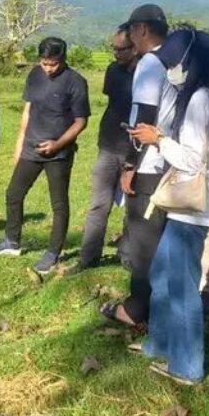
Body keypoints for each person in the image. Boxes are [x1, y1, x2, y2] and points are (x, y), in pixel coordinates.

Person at [127, 28, 209, 384]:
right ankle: (160, 343)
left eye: (174, 63)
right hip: (190, 205)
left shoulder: (200, 100)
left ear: (191, 61)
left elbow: (192, 160)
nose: (170, 71)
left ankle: (188, 364)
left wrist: (157, 139)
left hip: (194, 207)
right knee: (162, 274)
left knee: (181, 285)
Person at [0, 37, 90, 275]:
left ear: (63, 59)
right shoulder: (34, 75)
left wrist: (57, 144)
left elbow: (80, 121)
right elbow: (28, 110)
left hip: (59, 153)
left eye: (52, 64)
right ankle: (12, 241)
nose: (48, 68)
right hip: (31, 148)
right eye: (44, 63)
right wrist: (19, 145)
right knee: (13, 193)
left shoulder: (75, 82)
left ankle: (53, 253)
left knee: (59, 204)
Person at [102, 4, 177, 326]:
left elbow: (145, 115)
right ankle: (164, 301)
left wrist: (130, 165)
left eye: (132, 31)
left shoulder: (150, 62)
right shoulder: (178, 60)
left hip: (149, 164)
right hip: (172, 160)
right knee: (164, 237)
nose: (131, 38)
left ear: (142, 30)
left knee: (143, 239)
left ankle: (136, 309)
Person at [74, 25, 136, 270]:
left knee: (134, 207)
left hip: (136, 150)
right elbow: (114, 101)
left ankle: (129, 257)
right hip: (109, 145)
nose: (116, 54)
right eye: (114, 48)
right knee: (99, 204)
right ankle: (88, 258)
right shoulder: (113, 70)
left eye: (122, 49)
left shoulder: (150, 72)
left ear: (136, 47)